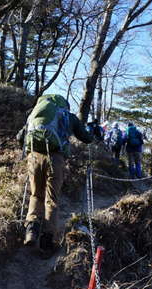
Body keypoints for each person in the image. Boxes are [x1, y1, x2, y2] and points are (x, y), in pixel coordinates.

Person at [16, 94, 93, 258]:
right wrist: (93, 135)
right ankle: (47, 241)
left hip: (34, 157)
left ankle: (31, 231)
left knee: (36, 194)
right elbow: (85, 138)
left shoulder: (34, 113)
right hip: (55, 158)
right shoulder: (67, 116)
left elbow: (19, 137)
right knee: (51, 199)